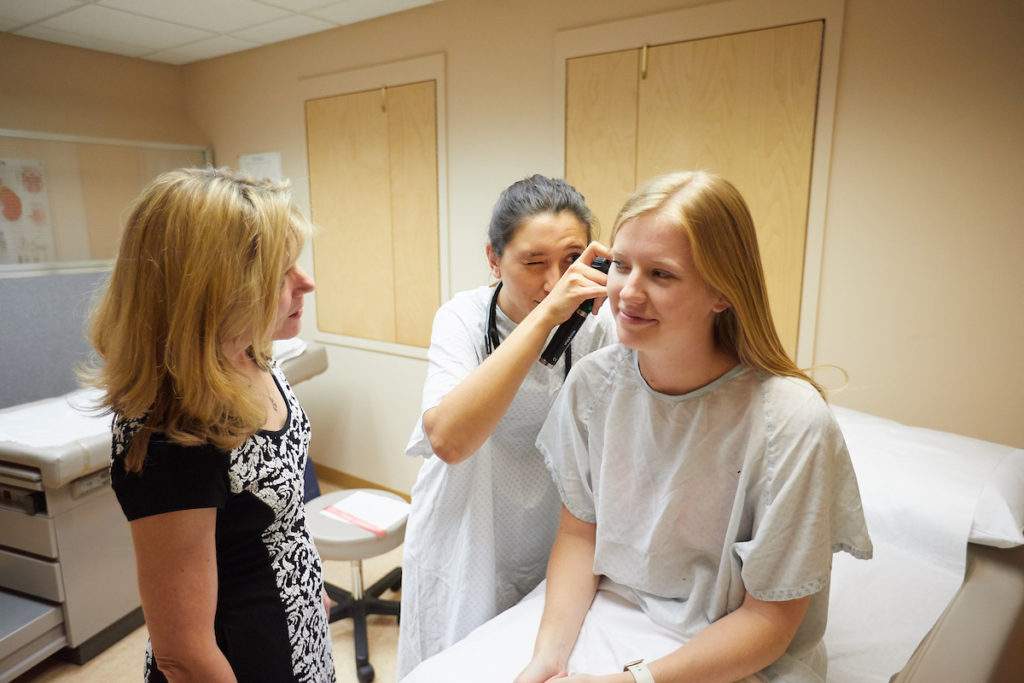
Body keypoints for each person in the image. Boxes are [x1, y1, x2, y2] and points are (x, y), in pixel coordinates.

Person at [504, 170, 874, 682]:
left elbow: (769, 620)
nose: (627, 294)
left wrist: (633, 681)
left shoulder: (790, 423)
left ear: (722, 292)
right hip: (615, 614)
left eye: (662, 275)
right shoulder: (594, 386)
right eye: (622, 266)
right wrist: (549, 658)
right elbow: (579, 537)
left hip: (736, 655)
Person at [84, 167, 333, 682]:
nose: (307, 282)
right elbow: (184, 655)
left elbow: (268, 508)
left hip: (294, 626)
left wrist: (308, 582)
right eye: (282, 273)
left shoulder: (249, 352)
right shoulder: (174, 432)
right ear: (217, 292)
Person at [397, 174, 619, 678]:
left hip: (554, 532)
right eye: (534, 263)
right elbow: (450, 440)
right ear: (494, 260)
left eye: (571, 260)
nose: (554, 281)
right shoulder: (463, 317)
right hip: (464, 527)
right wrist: (547, 319)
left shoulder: (601, 331)